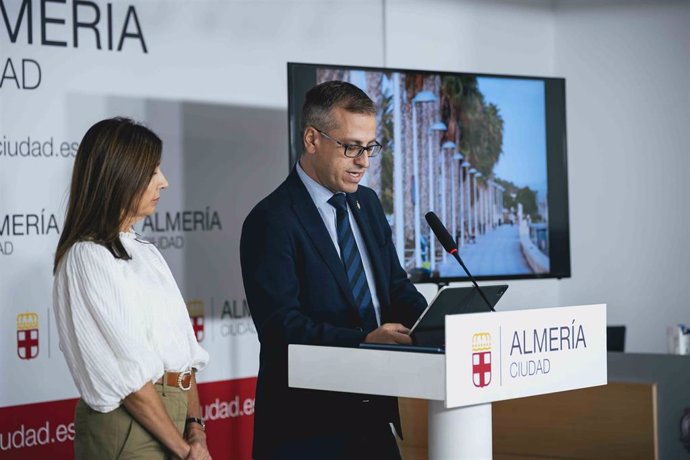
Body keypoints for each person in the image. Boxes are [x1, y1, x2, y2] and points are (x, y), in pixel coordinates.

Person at [240, 81, 427, 460]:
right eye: (351, 147)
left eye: (370, 148)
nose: (363, 161)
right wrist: (364, 341)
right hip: (306, 429)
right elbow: (281, 327)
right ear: (312, 139)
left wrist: (436, 324)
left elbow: (394, 286)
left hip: (374, 415)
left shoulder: (368, 204)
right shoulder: (271, 219)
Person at [53, 117, 212, 460]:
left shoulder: (145, 251)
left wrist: (196, 429)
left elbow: (185, 355)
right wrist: (185, 449)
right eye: (153, 170)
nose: (164, 182)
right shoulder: (87, 258)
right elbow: (132, 380)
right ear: (120, 175)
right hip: (131, 429)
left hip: (174, 422)